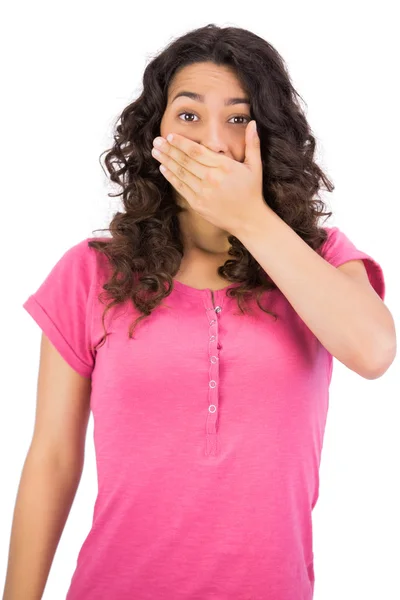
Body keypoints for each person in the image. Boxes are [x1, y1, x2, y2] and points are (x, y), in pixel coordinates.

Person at [3, 23, 394, 600]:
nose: (213, 142)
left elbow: (374, 351)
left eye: (238, 118)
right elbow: (53, 459)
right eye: (188, 116)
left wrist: (249, 218)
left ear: (270, 134)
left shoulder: (323, 261)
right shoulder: (91, 272)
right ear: (154, 133)